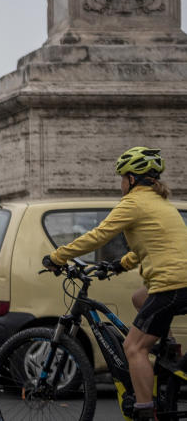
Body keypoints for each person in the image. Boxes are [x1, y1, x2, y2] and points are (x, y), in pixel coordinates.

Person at [44, 147, 187, 421]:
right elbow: (152, 246)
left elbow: (99, 235)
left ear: (132, 179)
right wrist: (120, 264)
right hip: (180, 281)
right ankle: (167, 350)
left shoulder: (133, 203)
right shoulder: (160, 203)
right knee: (139, 298)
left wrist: (57, 256)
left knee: (134, 347)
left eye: (122, 177)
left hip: (172, 284)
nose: (120, 184)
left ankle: (145, 414)